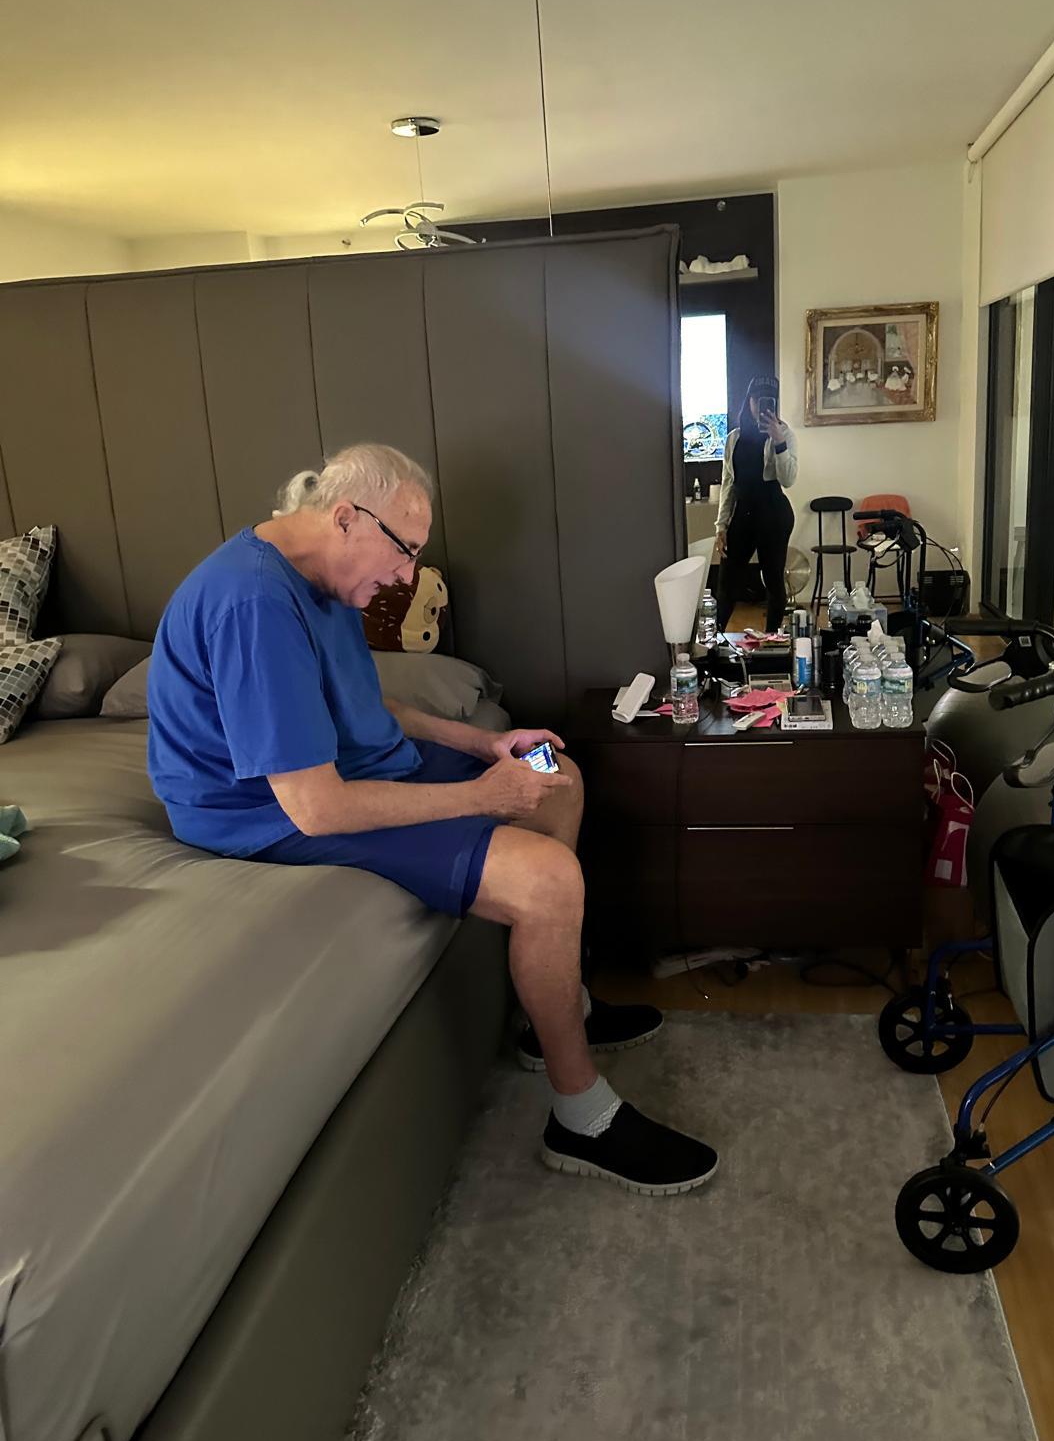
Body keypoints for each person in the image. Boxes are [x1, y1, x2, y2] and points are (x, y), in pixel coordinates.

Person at [147, 443, 718, 1198]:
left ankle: (554, 1009)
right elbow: (316, 808)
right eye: (405, 551)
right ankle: (579, 1116)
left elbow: (366, 700)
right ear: (346, 516)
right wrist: (483, 797)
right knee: (547, 878)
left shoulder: (322, 573)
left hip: (351, 765)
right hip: (269, 809)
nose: (408, 576)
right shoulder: (254, 603)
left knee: (559, 779)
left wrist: (486, 743)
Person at [714, 375, 799, 634]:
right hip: (743, 513)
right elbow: (729, 482)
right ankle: (716, 639)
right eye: (757, 399)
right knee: (727, 581)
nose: (762, 407)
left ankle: (773, 640)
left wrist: (778, 442)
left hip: (774, 513)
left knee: (774, 581)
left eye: (768, 401)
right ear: (749, 401)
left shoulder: (784, 433)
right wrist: (721, 525)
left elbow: (788, 479)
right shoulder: (733, 438)